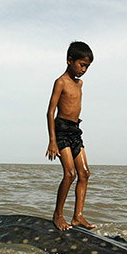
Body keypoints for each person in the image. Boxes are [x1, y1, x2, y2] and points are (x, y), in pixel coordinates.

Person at [45, 41, 96, 231]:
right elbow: (50, 112)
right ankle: (58, 215)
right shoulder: (60, 82)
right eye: (82, 65)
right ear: (69, 61)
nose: (84, 70)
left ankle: (78, 216)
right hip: (61, 130)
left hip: (75, 130)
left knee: (84, 173)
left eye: (87, 67)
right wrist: (52, 141)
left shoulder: (79, 83)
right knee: (70, 174)